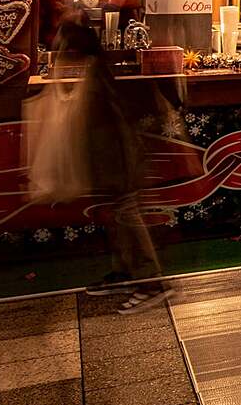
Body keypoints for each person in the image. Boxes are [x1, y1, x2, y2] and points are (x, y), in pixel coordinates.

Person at [56, 22, 167, 311]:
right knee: (119, 213)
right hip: (110, 154)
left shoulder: (101, 69)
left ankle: (150, 282)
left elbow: (116, 117)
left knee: (127, 211)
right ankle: (127, 272)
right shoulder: (97, 66)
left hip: (118, 155)